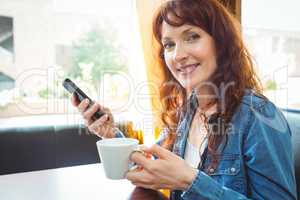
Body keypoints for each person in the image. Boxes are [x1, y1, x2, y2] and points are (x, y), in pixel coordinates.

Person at [71, 0, 297, 199]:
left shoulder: (259, 116)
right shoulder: (188, 109)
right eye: (169, 44)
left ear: (221, 44)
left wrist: (190, 181)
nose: (178, 55)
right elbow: (147, 165)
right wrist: (111, 134)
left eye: (192, 37)